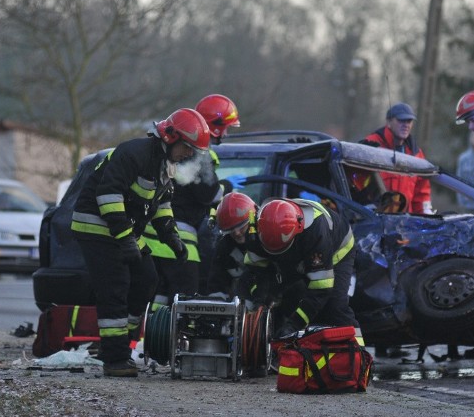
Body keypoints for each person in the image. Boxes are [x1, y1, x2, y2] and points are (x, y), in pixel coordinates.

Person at [70, 108, 211, 377]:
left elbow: (161, 205)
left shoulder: (164, 165)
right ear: (171, 137)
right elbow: (108, 196)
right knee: (115, 285)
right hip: (96, 227)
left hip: (122, 231)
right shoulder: (134, 153)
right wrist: (126, 240)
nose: (189, 155)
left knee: (147, 278)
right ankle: (114, 359)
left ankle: (117, 344)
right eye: (187, 148)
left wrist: (172, 239)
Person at [145, 94, 245, 308]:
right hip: (179, 236)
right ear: (214, 125)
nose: (225, 134)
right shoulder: (199, 153)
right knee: (186, 296)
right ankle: (175, 340)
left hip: (153, 235)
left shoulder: (179, 147)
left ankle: (151, 335)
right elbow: (209, 196)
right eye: (225, 127)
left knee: (162, 292)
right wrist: (227, 187)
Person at [247, 197, 361, 342]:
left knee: (335, 306)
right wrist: (260, 301)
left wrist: (294, 324)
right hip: (298, 250)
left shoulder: (316, 231)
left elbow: (321, 288)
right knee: (285, 296)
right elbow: (255, 271)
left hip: (337, 250)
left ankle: (360, 352)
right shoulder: (256, 228)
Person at [361, 102, 432, 214]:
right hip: (375, 219)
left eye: (409, 121)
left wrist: (426, 216)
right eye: (401, 120)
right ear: (388, 122)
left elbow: (422, 193)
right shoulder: (371, 146)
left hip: (405, 223)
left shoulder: (416, 154)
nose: (406, 125)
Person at [207, 191, 259, 305]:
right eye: (231, 229)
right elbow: (216, 283)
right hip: (241, 306)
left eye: (241, 226)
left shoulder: (266, 238)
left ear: (252, 220)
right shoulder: (224, 248)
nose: (237, 233)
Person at [455, 131, 474, 208]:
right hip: (466, 205)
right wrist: (461, 203)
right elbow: (458, 182)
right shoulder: (463, 159)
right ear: (470, 138)